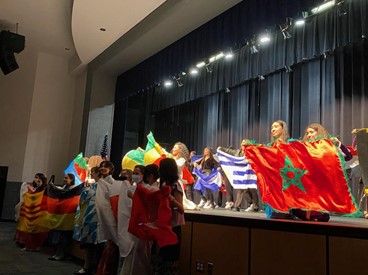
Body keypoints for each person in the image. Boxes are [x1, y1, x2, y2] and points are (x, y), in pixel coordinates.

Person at [290, 123, 353, 222]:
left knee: (319, 213)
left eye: (311, 132)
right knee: (297, 210)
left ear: (319, 132)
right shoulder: (304, 147)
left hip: (321, 185)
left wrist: (339, 144)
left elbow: (348, 156)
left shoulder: (327, 147)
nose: (309, 135)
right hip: (306, 184)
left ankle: (315, 215)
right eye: (307, 133)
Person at [119, 164, 159, 275]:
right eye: (134, 173)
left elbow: (148, 206)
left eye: (138, 173)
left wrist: (134, 197)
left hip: (144, 224)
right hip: (137, 223)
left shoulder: (150, 188)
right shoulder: (136, 186)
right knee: (135, 254)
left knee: (141, 254)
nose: (135, 175)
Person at [151, 158, 185, 275]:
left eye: (161, 167)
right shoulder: (162, 184)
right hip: (161, 227)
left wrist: (171, 200)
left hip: (172, 228)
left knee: (169, 262)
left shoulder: (175, 186)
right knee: (158, 260)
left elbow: (180, 209)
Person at [73, 167, 102, 275]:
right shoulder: (89, 187)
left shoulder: (108, 186)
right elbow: (83, 202)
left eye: (93, 173)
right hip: (88, 218)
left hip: (99, 219)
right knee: (87, 245)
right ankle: (87, 266)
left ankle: (95, 268)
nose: (91, 175)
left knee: (97, 247)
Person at [218, 139, 259, 212]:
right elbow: (229, 151)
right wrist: (221, 149)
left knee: (252, 190)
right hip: (241, 173)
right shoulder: (237, 152)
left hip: (250, 173)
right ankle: (238, 206)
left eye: (244, 144)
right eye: (242, 144)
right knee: (242, 189)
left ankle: (255, 205)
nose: (242, 145)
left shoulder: (251, 153)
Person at [15, 173, 49, 252]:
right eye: (35, 177)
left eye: (38, 178)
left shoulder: (45, 189)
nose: (36, 179)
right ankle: (28, 245)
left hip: (38, 213)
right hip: (30, 212)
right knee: (30, 230)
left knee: (37, 229)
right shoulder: (31, 187)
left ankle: (37, 245)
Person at [48, 173, 78, 261]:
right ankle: (58, 252)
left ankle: (62, 253)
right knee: (59, 236)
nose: (64, 179)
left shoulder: (74, 189)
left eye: (66, 178)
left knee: (65, 236)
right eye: (64, 178)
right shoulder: (64, 187)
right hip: (61, 215)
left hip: (68, 216)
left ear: (71, 179)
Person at [171, 142, 198, 210]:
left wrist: (170, 161)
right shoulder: (171, 157)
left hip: (177, 181)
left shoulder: (182, 160)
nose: (173, 149)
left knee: (181, 199)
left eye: (175, 148)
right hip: (170, 180)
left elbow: (177, 167)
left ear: (179, 150)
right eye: (173, 147)